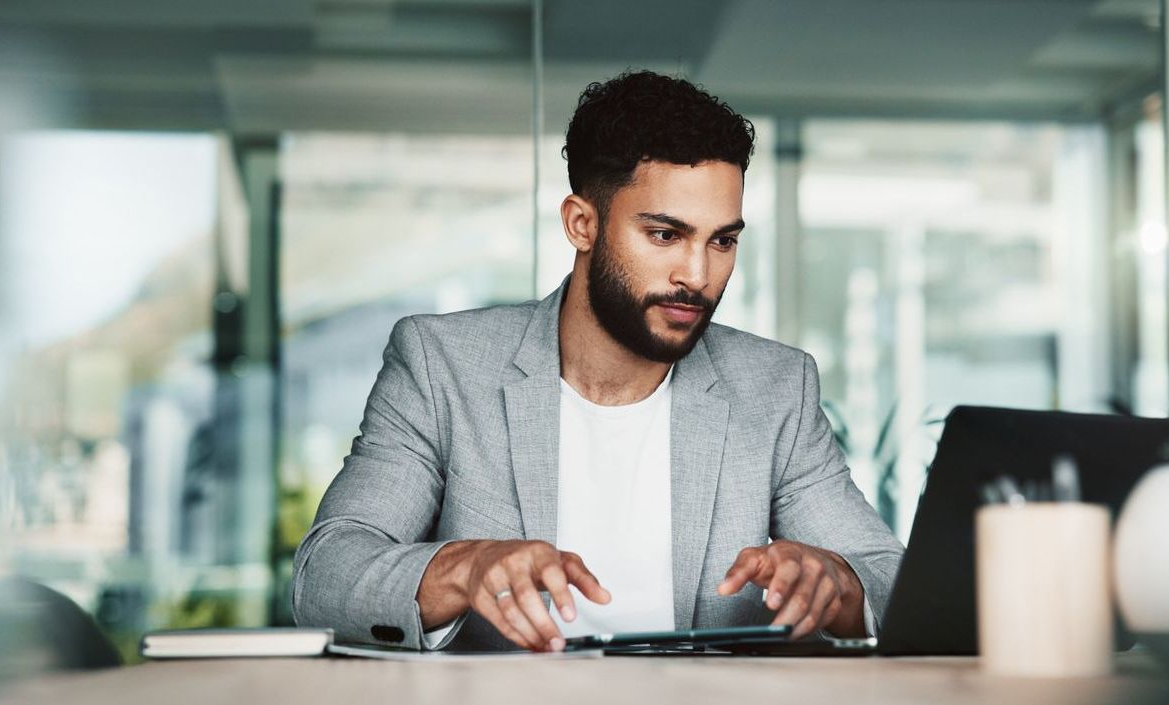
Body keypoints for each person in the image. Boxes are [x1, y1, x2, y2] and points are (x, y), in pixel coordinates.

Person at [292, 70, 905, 652]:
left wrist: (838, 582)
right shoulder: (442, 365)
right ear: (581, 223)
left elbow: (892, 579)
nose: (698, 275)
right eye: (665, 234)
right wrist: (466, 567)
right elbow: (327, 575)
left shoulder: (774, 388)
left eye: (722, 240)